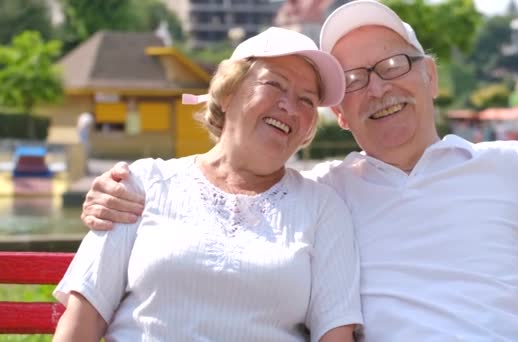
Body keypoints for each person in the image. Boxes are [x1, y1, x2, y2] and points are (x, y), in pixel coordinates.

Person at [80, 1, 518, 340]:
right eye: (355, 80)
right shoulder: (323, 193)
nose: (378, 88)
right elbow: (233, 185)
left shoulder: (508, 169)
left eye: (394, 65)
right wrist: (111, 193)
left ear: (430, 76)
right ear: (340, 115)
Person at [53, 27, 362, 341]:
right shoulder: (143, 184)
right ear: (227, 93)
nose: (290, 106)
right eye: (274, 84)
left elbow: (334, 334)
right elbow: (84, 319)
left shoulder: (323, 208)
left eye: (307, 100)